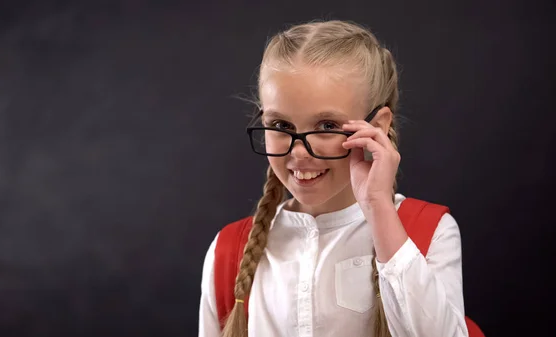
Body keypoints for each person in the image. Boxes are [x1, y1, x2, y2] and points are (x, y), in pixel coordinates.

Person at [198, 19, 468, 337]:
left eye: (327, 126)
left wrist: (379, 209)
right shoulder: (229, 251)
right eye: (282, 125)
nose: (299, 152)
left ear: (377, 127)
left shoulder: (430, 233)